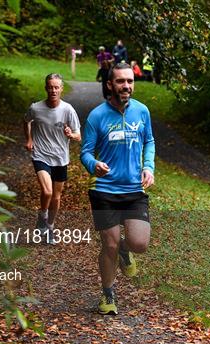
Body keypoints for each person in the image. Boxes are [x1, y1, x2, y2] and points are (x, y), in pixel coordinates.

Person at [80, 63, 155, 315]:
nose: (126, 86)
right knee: (109, 245)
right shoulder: (97, 116)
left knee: (140, 243)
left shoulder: (142, 111)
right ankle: (107, 294)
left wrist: (149, 167)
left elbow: (149, 141)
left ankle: (126, 249)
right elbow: (86, 152)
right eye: (121, 81)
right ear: (110, 85)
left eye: (130, 81)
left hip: (134, 189)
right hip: (104, 190)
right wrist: (94, 165)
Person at [24, 73, 81, 243]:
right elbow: (26, 121)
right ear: (46, 88)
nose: (53, 90)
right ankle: (43, 215)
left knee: (56, 197)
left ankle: (49, 226)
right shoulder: (36, 108)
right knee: (47, 191)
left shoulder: (68, 110)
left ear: (61, 89)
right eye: (50, 87)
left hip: (60, 158)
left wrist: (71, 134)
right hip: (40, 154)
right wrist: (29, 139)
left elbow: (79, 136)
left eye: (56, 87)